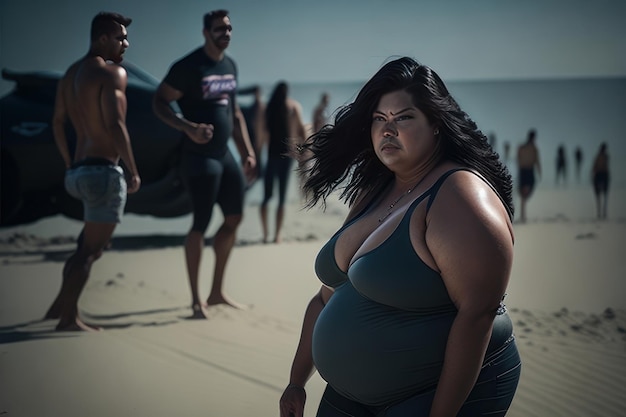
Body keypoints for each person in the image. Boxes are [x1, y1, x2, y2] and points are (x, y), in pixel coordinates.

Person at [279, 57, 520, 417]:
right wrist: (296, 382)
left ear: (436, 124)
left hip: (432, 395)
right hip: (350, 396)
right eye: (380, 119)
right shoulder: (376, 190)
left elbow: (477, 316)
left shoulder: (459, 198)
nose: (387, 130)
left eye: (403, 117)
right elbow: (325, 297)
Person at [152, 9, 257, 317]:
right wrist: (187, 127)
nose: (225, 33)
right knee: (199, 224)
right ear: (205, 32)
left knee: (235, 218)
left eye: (229, 28)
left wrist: (247, 151)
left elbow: (234, 114)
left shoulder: (230, 65)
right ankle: (196, 299)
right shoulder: (188, 66)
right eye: (219, 29)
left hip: (225, 155)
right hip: (197, 158)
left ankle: (216, 291)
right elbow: (159, 101)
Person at [44, 11, 141, 331]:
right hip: (102, 172)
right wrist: (132, 169)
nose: (126, 43)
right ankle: (69, 319)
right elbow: (116, 124)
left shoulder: (70, 74)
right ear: (102, 38)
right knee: (91, 251)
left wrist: (69, 163)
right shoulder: (111, 73)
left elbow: (57, 122)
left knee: (84, 246)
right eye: (120, 37)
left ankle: (58, 307)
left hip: (78, 173)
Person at [259, 81, 306, 243]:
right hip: (286, 157)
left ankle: (266, 235)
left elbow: (261, 135)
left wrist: (257, 156)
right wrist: (304, 152)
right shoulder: (293, 107)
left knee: (266, 197)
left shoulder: (268, 109)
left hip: (271, 156)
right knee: (281, 198)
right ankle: (277, 235)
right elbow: (301, 129)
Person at [516, 129, 541, 223]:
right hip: (527, 171)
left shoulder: (525, 147)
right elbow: (536, 160)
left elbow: (519, 159)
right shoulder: (530, 148)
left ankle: (523, 215)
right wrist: (539, 171)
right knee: (524, 193)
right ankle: (523, 216)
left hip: (524, 170)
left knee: (524, 194)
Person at [591, 142, 610, 220]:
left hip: (601, 175)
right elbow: (596, 167)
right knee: (601, 196)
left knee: (600, 196)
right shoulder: (603, 156)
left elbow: (595, 167)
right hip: (601, 175)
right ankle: (601, 212)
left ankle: (601, 212)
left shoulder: (603, 156)